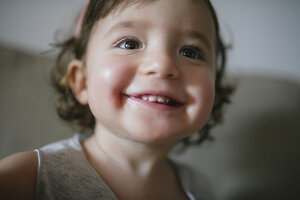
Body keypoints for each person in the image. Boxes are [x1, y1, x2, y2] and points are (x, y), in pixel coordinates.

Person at [0, 0, 232, 199]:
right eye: (130, 44)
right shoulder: (27, 178)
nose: (162, 65)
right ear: (82, 82)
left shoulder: (201, 190)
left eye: (191, 52)